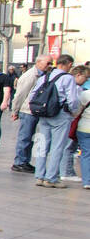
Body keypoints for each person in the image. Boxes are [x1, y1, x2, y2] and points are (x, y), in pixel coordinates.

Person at [32, 53, 80, 188]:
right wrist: (72, 111)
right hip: (60, 115)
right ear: (69, 64)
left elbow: (33, 94)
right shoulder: (67, 78)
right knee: (57, 146)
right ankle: (51, 178)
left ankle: (39, 175)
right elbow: (73, 99)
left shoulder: (44, 76)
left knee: (42, 145)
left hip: (43, 114)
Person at [9, 53, 52, 172]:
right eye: (47, 63)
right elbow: (20, 94)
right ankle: (19, 162)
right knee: (25, 137)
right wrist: (15, 110)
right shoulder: (30, 76)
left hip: (36, 110)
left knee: (30, 137)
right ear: (38, 62)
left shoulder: (43, 74)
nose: (50, 65)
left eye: (50, 63)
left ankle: (24, 161)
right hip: (27, 111)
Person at [68, 64, 90, 189]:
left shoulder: (85, 94)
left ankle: (87, 181)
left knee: (86, 154)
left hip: (84, 128)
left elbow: (76, 111)